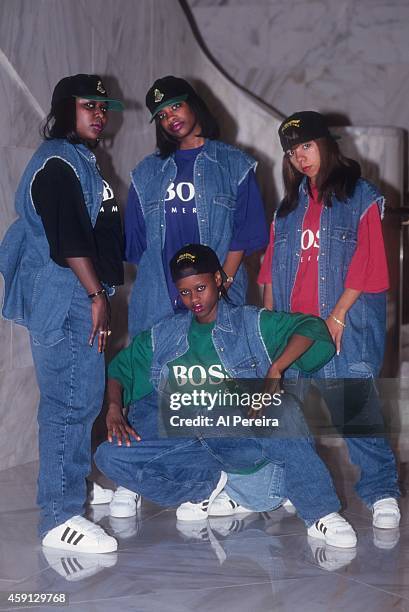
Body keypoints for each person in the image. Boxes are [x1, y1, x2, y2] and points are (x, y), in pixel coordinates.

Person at [94, 244, 357, 548]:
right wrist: (114, 408)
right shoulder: (165, 334)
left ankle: (320, 512)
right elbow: (121, 369)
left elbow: (312, 328)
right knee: (108, 455)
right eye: (185, 292)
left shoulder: (250, 323)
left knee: (281, 408)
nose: (194, 299)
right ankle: (202, 489)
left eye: (201, 288)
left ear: (219, 279)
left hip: (244, 449)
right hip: (193, 446)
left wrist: (276, 369)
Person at [254, 111, 400, 529]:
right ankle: (294, 485)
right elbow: (269, 271)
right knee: (289, 412)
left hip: (342, 326)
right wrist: (270, 326)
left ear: (327, 145)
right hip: (295, 328)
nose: (300, 157)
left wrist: (336, 315)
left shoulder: (360, 196)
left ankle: (381, 490)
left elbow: (369, 262)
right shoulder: (287, 209)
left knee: (355, 409)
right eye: (292, 151)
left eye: (306, 146)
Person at [0, 74, 125, 553]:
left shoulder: (80, 160)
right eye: (87, 105)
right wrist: (97, 296)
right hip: (66, 294)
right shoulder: (57, 162)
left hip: (78, 293)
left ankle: (68, 488)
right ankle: (59, 515)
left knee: (80, 397)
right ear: (63, 108)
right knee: (70, 400)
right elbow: (69, 240)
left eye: (103, 106)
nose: (99, 113)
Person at [124, 75, 268, 337]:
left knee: (219, 375)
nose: (170, 118)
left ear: (194, 104)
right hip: (157, 301)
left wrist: (224, 280)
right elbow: (137, 245)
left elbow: (245, 232)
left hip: (219, 295)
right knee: (154, 376)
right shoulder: (145, 173)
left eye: (176, 106)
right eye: (162, 115)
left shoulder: (235, 165)